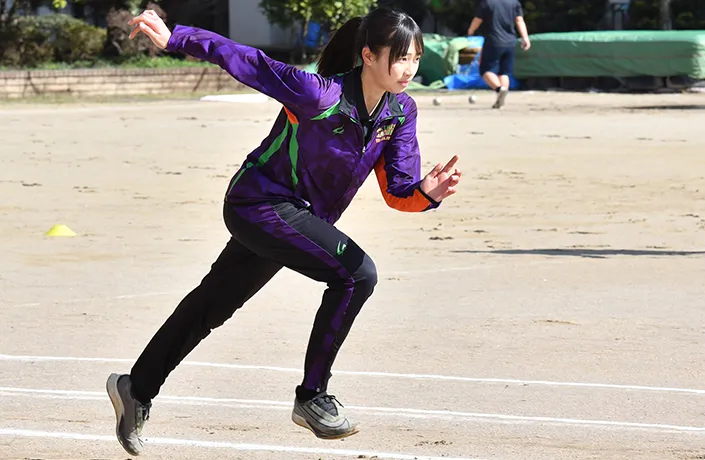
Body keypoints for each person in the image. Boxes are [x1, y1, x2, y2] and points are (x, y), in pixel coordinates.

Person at [105, 6, 463, 457]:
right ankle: (312, 397)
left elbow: (400, 191)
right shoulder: (319, 94)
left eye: (415, 59)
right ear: (369, 55)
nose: (409, 69)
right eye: (400, 58)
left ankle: (136, 388)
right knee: (357, 274)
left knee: (210, 305)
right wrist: (176, 38)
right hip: (258, 204)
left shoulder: (399, 112)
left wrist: (427, 193)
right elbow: (248, 60)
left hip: (294, 220)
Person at [467, 0, 531, 109]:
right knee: (504, 72)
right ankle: (501, 99)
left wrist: (470, 31)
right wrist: (525, 38)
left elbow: (477, 19)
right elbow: (519, 20)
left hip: (493, 42)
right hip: (510, 42)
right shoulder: (514, 2)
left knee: (486, 70)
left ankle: (499, 89)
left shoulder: (487, 3)